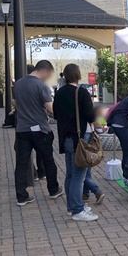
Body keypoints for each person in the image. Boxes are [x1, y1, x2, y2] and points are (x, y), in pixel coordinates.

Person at [53, 64, 99, 221]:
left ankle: (72, 207)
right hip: (80, 138)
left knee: (71, 175)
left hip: (66, 138)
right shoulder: (82, 92)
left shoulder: (59, 93)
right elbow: (90, 116)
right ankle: (78, 210)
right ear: (78, 75)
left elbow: (56, 114)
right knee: (79, 175)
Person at [13, 60, 62, 207]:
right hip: (40, 130)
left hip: (22, 129)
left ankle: (21, 196)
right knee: (48, 160)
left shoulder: (19, 84)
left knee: (21, 163)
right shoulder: (41, 85)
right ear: (44, 71)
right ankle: (53, 190)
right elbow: (50, 109)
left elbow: (14, 102)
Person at [82, 105, 107, 205]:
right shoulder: (93, 115)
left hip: (84, 135)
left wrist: (100, 120)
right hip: (89, 136)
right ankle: (85, 194)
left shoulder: (89, 115)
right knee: (86, 169)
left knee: (82, 170)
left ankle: (97, 191)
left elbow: (99, 125)